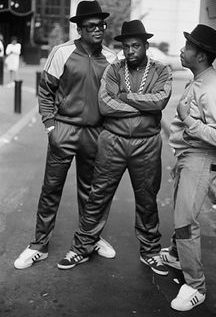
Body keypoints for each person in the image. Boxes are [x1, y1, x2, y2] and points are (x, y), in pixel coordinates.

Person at [57, 20, 172, 275]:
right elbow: (105, 105)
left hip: (147, 144)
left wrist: (125, 97)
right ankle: (82, 247)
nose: (131, 51)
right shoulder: (113, 70)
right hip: (113, 141)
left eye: (136, 46)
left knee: (147, 199)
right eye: (127, 46)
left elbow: (160, 100)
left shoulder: (162, 70)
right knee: (97, 195)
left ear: (145, 45)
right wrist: (143, 106)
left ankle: (151, 252)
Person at [14, 0, 117, 270]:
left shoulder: (111, 57)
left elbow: (115, 99)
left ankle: (90, 238)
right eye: (91, 26)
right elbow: (46, 91)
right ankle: (39, 245)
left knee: (91, 192)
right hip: (65, 129)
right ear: (80, 29)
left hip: (96, 133)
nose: (98, 30)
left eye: (101, 25)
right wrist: (50, 125)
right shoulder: (62, 52)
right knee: (51, 189)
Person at [160, 24, 216, 311]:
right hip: (190, 158)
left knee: (185, 221)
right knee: (180, 212)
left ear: (200, 55)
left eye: (187, 47)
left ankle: (196, 286)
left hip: (201, 159)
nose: (181, 50)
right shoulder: (198, 79)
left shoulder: (211, 88)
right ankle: (178, 255)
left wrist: (190, 122)